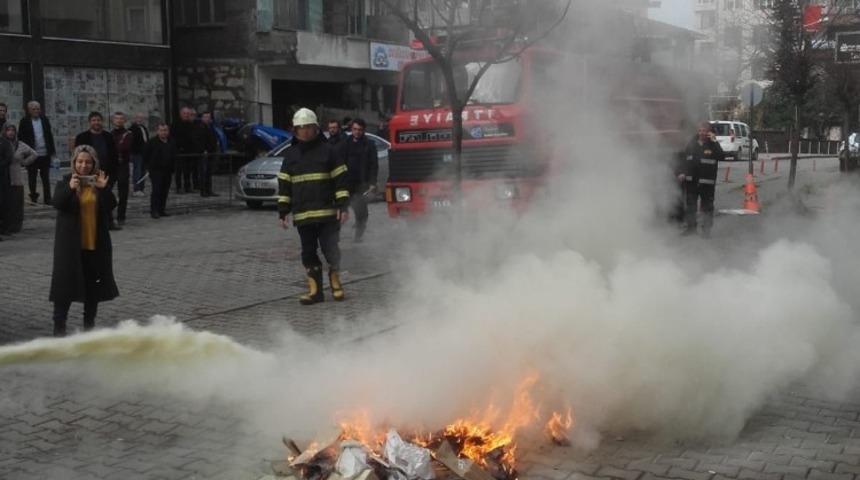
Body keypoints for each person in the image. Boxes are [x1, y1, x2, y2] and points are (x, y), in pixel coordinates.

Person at [278, 108, 350, 305]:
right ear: (295, 131)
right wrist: (283, 211)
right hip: (303, 215)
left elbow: (341, 182)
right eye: (301, 128)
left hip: (328, 214)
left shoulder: (330, 152)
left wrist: (343, 206)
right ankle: (315, 291)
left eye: (308, 127)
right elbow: (284, 186)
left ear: (316, 128)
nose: (305, 132)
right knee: (308, 252)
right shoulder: (290, 155)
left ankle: (335, 282)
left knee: (331, 249)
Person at [49, 145, 119, 337]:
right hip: (70, 247)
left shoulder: (98, 182)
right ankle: (59, 329)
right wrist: (71, 189)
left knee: (92, 291)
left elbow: (111, 206)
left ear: (93, 163)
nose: (84, 165)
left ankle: (89, 328)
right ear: (74, 163)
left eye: (88, 162)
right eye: (80, 161)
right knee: (64, 289)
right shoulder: (65, 182)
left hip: (94, 246)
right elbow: (57, 203)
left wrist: (104, 189)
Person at [75, 112, 120, 230]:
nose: (96, 122)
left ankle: (109, 221)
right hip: (89, 173)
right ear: (90, 122)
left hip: (106, 173)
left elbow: (114, 155)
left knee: (106, 196)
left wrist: (114, 171)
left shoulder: (108, 136)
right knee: (91, 198)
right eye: (94, 120)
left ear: (102, 121)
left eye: (98, 120)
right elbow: (77, 155)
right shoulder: (82, 137)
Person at [680, 122, 724, 237]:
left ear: (709, 132)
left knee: (707, 207)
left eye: (704, 131)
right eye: (700, 131)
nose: (702, 133)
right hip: (691, 181)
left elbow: (721, 156)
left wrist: (715, 142)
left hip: (707, 183)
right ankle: (691, 228)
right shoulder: (692, 143)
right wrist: (682, 172)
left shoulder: (713, 144)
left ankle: (706, 231)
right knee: (690, 206)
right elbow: (685, 159)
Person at [343, 118, 379, 242]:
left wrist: (372, 183)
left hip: (361, 183)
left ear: (363, 130)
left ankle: (358, 235)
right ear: (351, 129)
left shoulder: (369, 145)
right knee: (340, 209)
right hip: (346, 183)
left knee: (362, 212)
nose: (357, 132)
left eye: (359, 130)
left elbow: (373, 165)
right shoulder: (345, 143)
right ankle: (333, 236)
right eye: (355, 129)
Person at [18, 100, 56, 205]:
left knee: (45, 177)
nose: (36, 111)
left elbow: (49, 135)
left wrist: (52, 151)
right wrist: (24, 153)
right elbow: (21, 138)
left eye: (38, 109)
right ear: (29, 110)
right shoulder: (24, 121)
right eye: (33, 109)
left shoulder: (44, 120)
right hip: (32, 154)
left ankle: (48, 198)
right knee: (32, 177)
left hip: (45, 153)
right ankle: (33, 196)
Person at [1, 125, 37, 235]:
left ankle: (15, 226)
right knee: (6, 204)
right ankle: (5, 226)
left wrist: (24, 162)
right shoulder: (2, 144)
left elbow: (34, 154)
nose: (11, 132)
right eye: (8, 130)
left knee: (16, 203)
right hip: (3, 177)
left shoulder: (20, 145)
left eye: (13, 130)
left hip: (16, 176)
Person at [143, 123, 177, 219]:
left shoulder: (171, 141)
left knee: (165, 191)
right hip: (156, 171)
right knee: (156, 191)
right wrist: (148, 167)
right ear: (158, 131)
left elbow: (174, 155)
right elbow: (145, 155)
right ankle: (154, 211)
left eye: (165, 130)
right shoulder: (152, 142)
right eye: (161, 130)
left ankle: (162, 210)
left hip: (168, 170)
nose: (164, 132)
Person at [172, 106, 203, 194]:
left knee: (187, 170)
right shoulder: (175, 124)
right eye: (184, 113)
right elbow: (173, 138)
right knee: (178, 171)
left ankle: (187, 186)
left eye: (188, 114)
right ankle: (178, 187)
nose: (186, 115)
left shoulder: (191, 125)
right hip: (179, 151)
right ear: (181, 114)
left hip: (189, 151)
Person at [110, 112, 133, 226]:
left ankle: (121, 216)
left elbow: (125, 147)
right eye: (116, 118)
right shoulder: (110, 134)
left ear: (124, 121)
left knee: (123, 193)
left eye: (121, 119)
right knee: (106, 191)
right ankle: (108, 216)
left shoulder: (128, 134)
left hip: (123, 166)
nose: (118, 121)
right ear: (113, 120)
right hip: (111, 166)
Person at [199, 112, 220, 197]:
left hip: (211, 152)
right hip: (205, 153)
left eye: (209, 117)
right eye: (205, 117)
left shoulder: (210, 127)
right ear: (202, 118)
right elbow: (199, 140)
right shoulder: (200, 127)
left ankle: (209, 190)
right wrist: (203, 150)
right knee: (203, 173)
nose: (207, 119)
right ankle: (203, 191)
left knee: (209, 173)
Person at [129, 113, 150, 196]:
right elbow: (132, 142)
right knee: (137, 171)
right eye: (138, 117)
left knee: (143, 171)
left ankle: (141, 188)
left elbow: (146, 140)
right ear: (134, 118)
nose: (140, 119)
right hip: (136, 153)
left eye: (141, 118)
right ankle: (136, 189)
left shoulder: (144, 128)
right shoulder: (132, 129)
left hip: (144, 153)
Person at [0, 133, 12, 241]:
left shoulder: (4, 142)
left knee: (3, 203)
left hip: (2, 177)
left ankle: (4, 228)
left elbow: (8, 158)